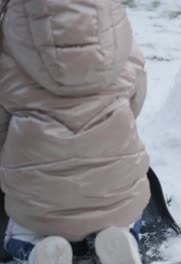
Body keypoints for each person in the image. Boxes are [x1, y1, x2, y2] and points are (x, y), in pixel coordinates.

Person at [0, 0, 150, 263]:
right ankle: (122, 235)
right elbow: (136, 96)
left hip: (36, 192)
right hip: (115, 181)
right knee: (128, 211)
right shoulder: (114, 25)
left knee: (20, 230)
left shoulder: (8, 36)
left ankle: (38, 247)